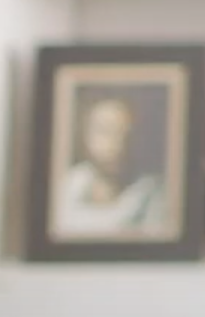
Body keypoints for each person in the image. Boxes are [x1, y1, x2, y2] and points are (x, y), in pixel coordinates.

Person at [53, 93, 167, 240]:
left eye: (124, 133)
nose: (116, 144)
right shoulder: (65, 186)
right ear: (86, 136)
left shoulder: (152, 192)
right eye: (105, 131)